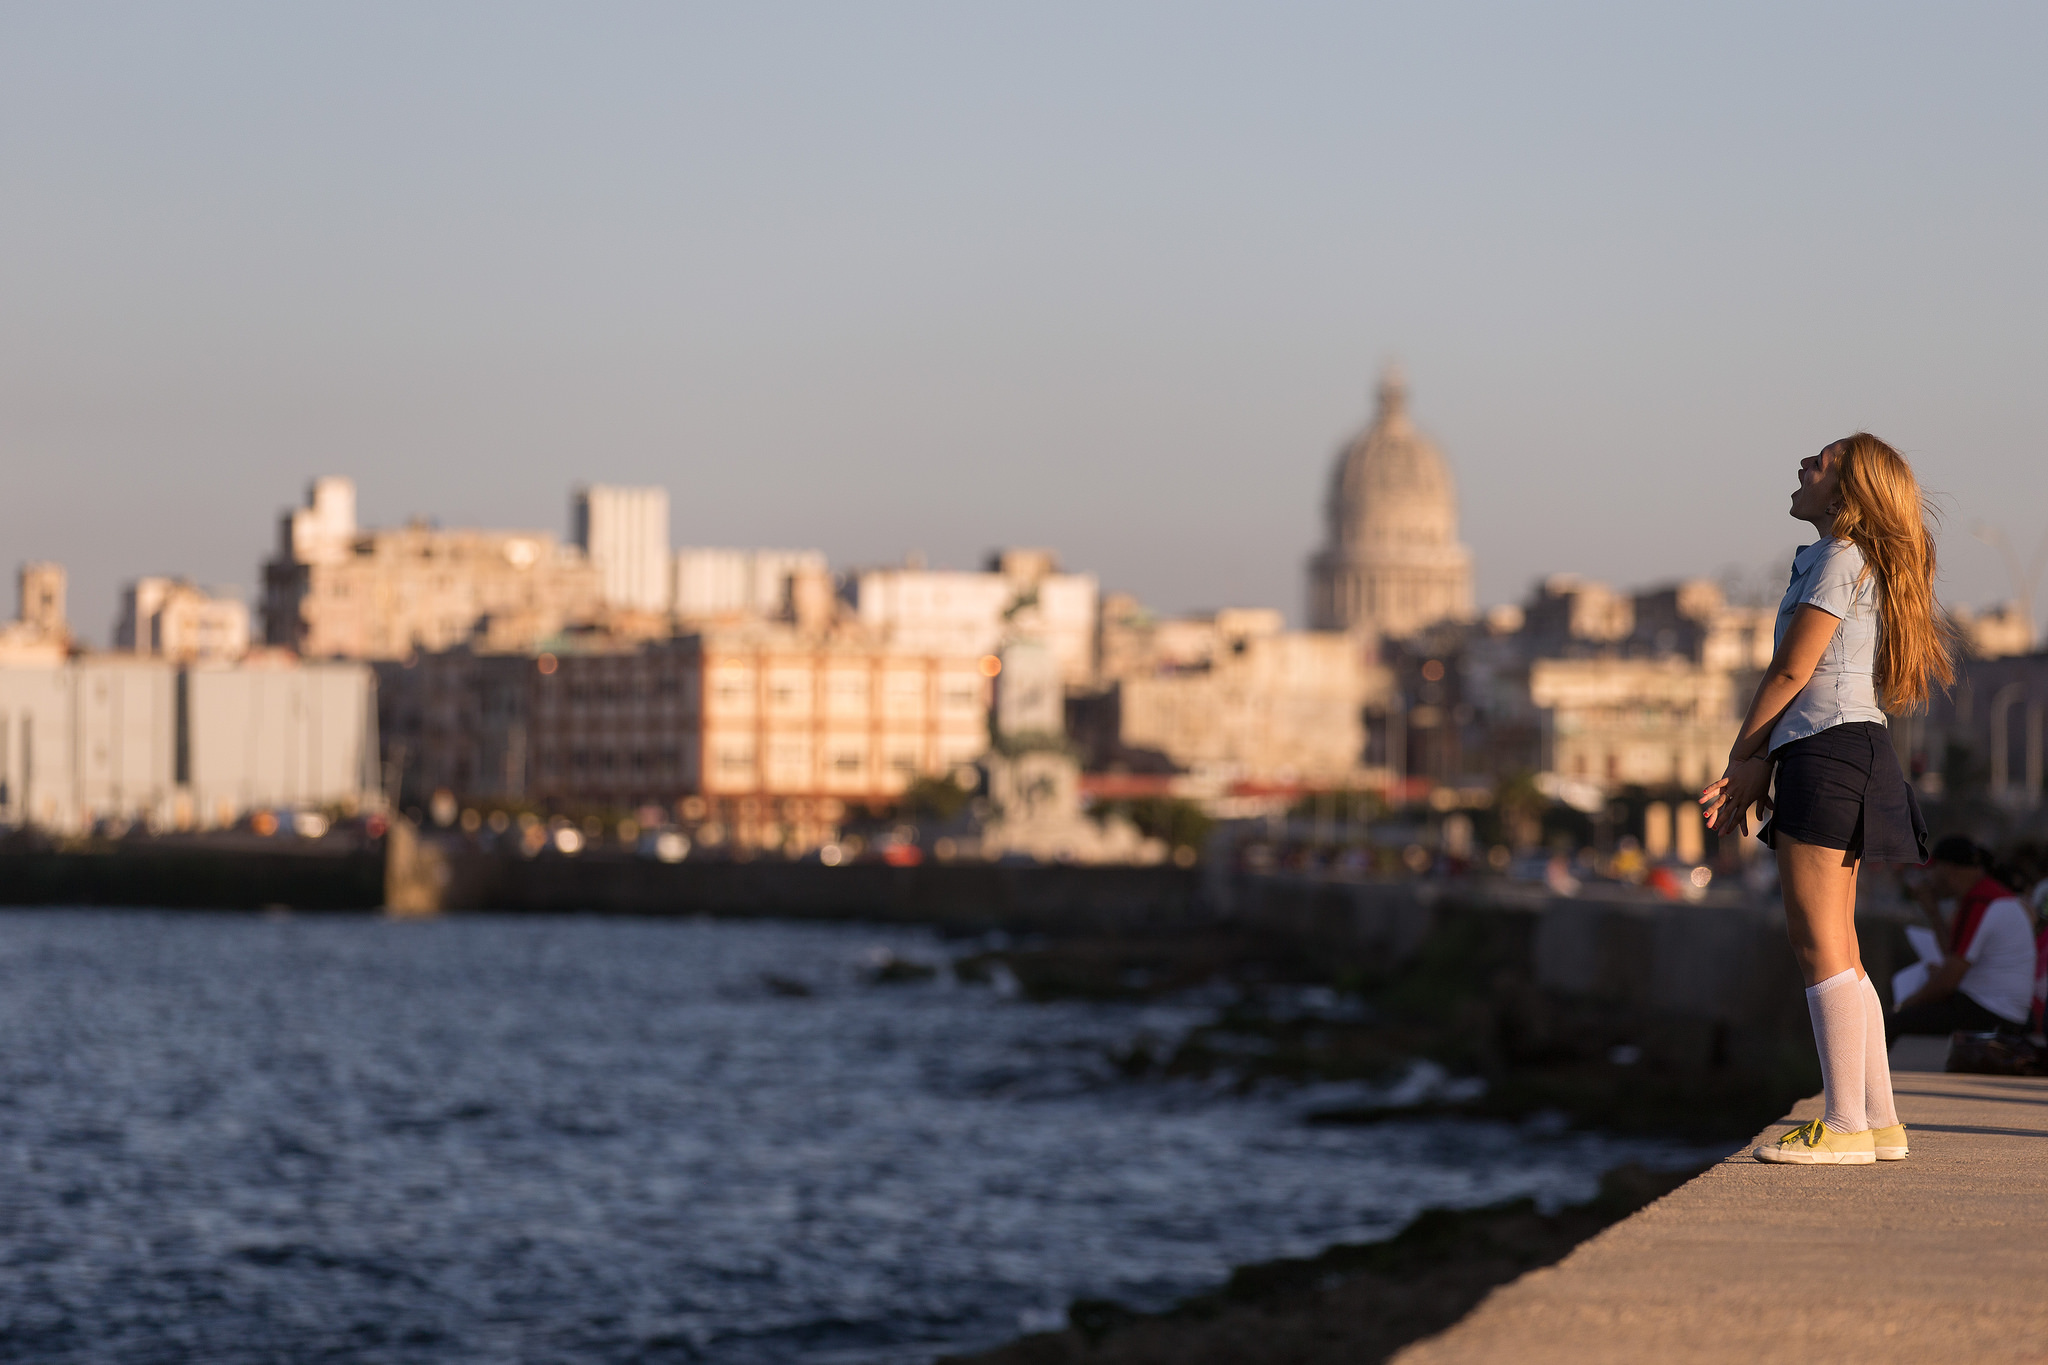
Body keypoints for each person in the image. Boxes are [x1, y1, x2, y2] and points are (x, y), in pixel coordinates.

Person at [1700, 433, 1951, 1165]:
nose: (1803, 464)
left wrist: (1744, 755)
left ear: (1845, 493)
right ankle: (1877, 1119)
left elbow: (1789, 671)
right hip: (1852, 749)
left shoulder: (1842, 559)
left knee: (1818, 944)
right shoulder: (1848, 559)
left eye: (1822, 460)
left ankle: (1843, 1124)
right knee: (1843, 946)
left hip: (1826, 751)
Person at [1892, 836, 2036, 1042]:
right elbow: (1952, 957)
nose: (1928, 879)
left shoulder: (1981, 904)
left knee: (1891, 1023)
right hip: (2003, 1010)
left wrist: (1904, 1006)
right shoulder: (1992, 897)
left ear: (1948, 869)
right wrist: (1933, 913)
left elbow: (1947, 981)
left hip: (1991, 1011)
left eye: (1931, 870)